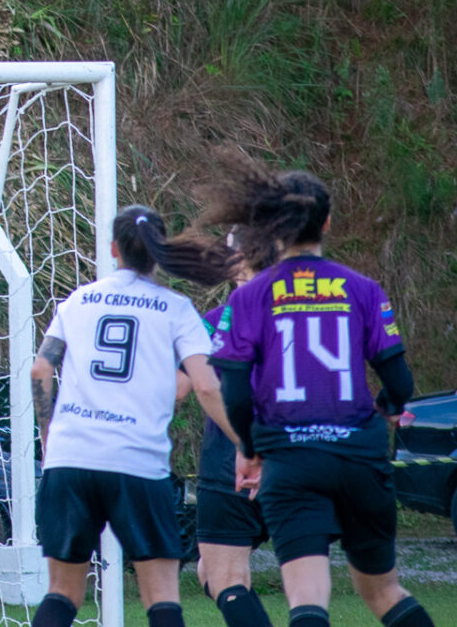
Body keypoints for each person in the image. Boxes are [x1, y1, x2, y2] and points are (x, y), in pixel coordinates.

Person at [205, 165, 434, 627]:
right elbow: (401, 383)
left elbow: (232, 390)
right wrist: (388, 409)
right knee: (385, 591)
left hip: (293, 462)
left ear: (272, 229)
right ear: (326, 224)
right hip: (359, 454)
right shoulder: (363, 289)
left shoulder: (249, 300)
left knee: (307, 601)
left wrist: (249, 448)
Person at [27, 206, 240, 627]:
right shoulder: (176, 309)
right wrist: (244, 443)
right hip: (136, 462)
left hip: (71, 460)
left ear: (113, 250)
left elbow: (40, 369)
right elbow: (205, 384)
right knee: (161, 598)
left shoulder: (78, 301)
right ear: (160, 252)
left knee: (63, 594)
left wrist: (49, 435)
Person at [181, 239, 275, 627]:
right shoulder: (306, 315)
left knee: (222, 577)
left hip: (232, 457)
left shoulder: (218, 319)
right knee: (220, 572)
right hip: (297, 451)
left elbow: (178, 389)